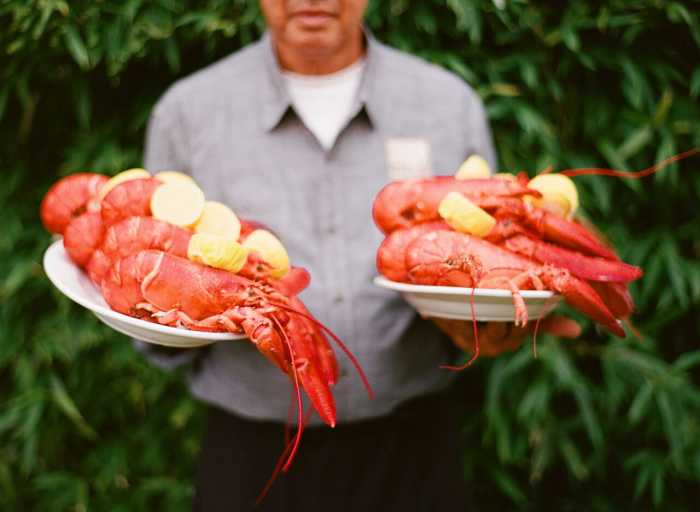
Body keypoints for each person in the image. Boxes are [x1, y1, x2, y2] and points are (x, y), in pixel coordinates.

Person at [139, 1, 551, 510]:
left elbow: (486, 254)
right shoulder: (186, 113)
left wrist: (487, 326)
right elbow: (152, 291)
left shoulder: (448, 103)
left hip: (414, 448)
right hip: (253, 453)